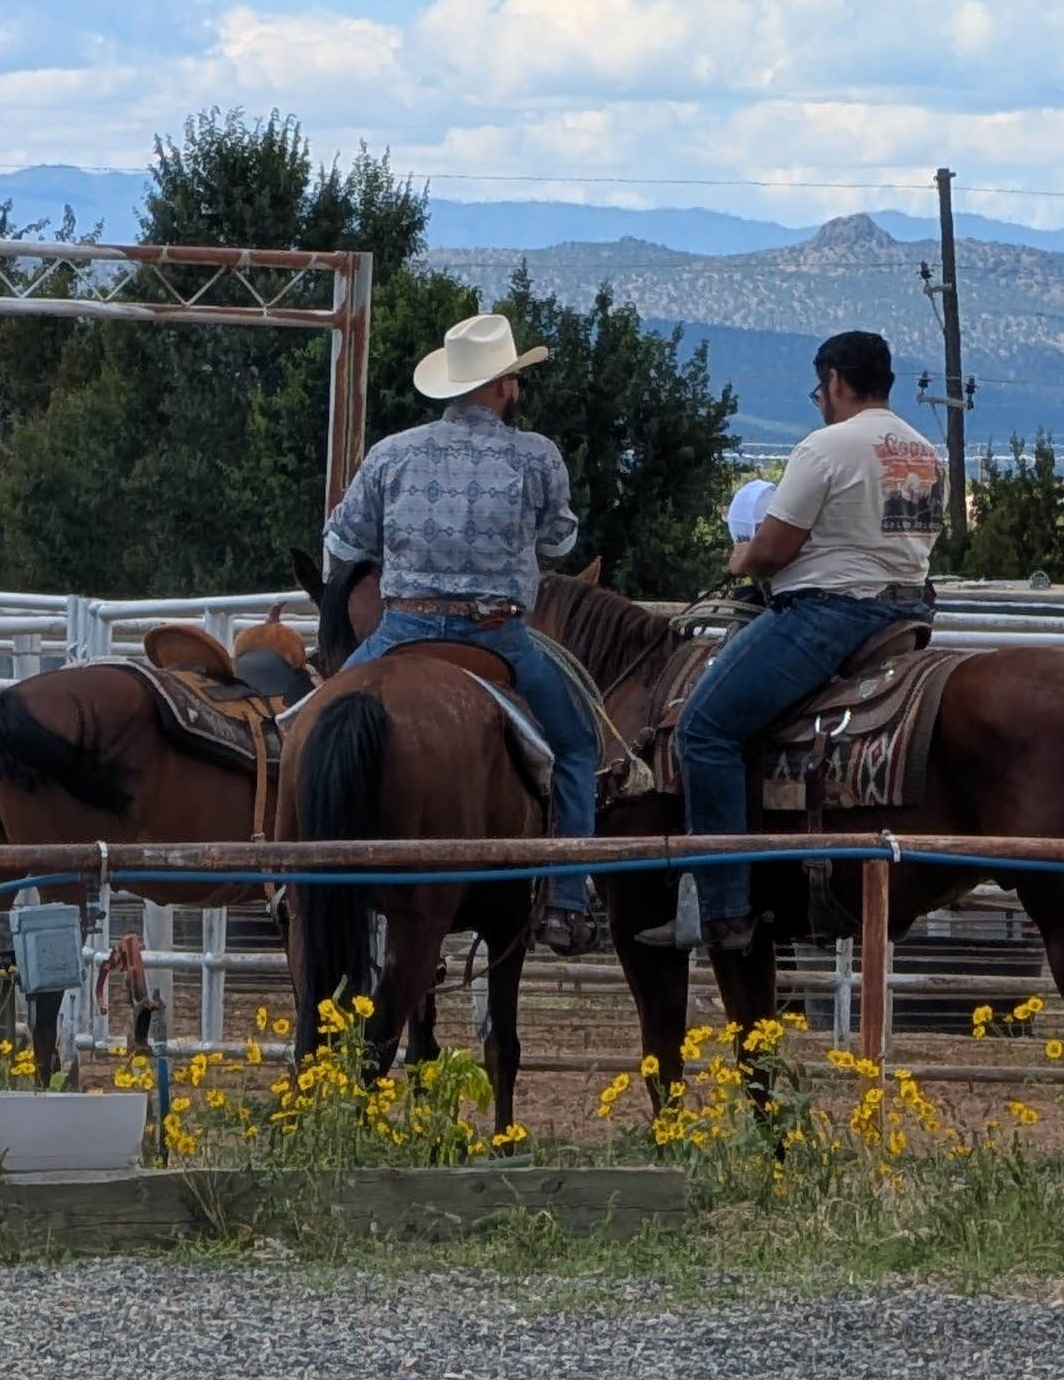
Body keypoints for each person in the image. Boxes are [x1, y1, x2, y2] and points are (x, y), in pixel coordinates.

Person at [645, 328, 946, 956]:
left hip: (828, 614)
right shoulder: (924, 450)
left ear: (834, 380)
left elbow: (775, 550)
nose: (820, 399)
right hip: (907, 615)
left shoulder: (826, 448)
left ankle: (724, 909)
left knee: (704, 728)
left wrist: (740, 559)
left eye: (820, 388)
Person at [319, 308, 605, 954]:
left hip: (401, 629)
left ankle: (289, 877)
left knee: (309, 724)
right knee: (578, 747)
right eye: (515, 380)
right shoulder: (536, 455)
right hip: (497, 635)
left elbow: (340, 539)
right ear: (503, 385)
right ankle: (565, 898)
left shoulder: (393, 453)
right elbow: (562, 539)